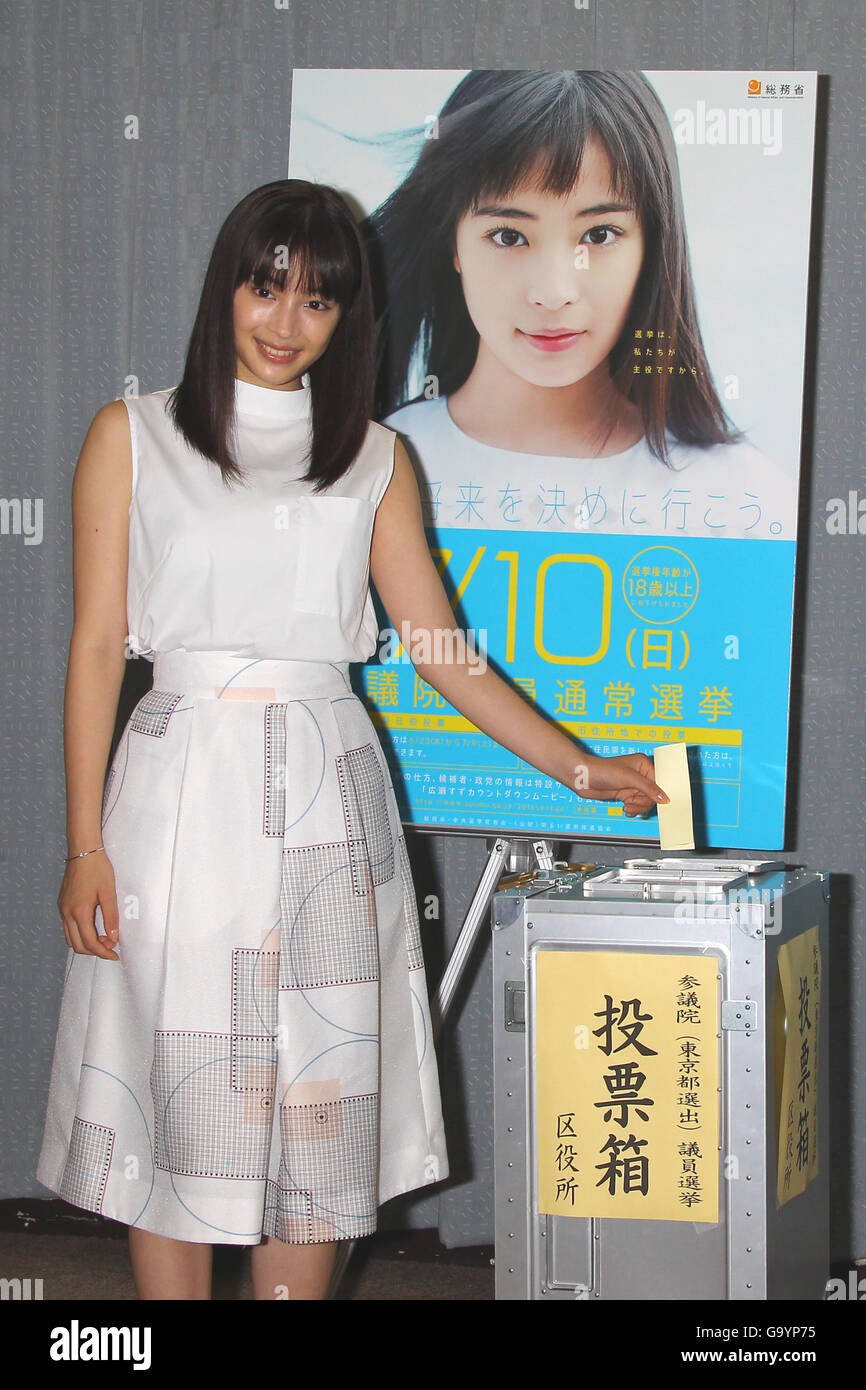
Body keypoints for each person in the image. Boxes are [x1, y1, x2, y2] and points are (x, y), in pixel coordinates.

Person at [36, 179, 668, 1302]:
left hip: (329, 799)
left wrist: (577, 767)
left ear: (348, 319)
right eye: (264, 286)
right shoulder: (129, 435)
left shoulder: (374, 457)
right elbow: (95, 648)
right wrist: (84, 843)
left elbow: (439, 647)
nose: (284, 323)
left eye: (316, 302)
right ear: (224, 287)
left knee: (312, 1112)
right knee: (177, 1093)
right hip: (178, 799)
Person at [368, 70, 795, 541]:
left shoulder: (743, 500)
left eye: (599, 235)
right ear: (453, 244)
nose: (554, 292)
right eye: (509, 236)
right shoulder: (368, 470)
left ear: (653, 246)